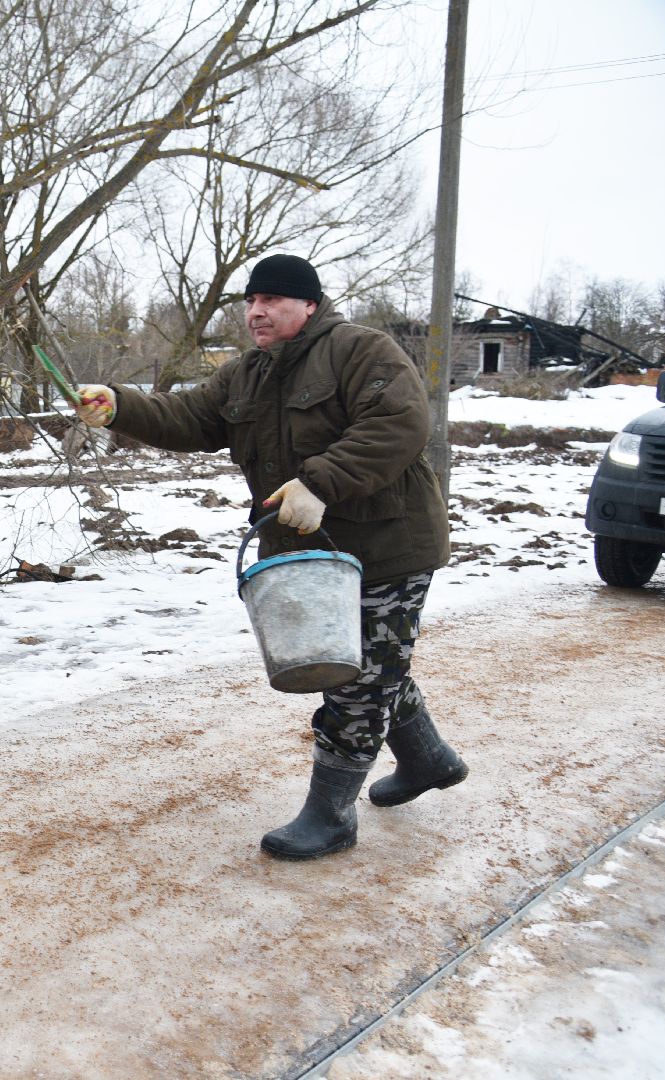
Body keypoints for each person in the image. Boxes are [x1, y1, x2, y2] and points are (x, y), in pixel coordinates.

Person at [74, 253, 467, 861]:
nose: (256, 312)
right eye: (251, 302)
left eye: (272, 301)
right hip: (310, 553)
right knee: (370, 661)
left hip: (389, 543)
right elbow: (190, 416)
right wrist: (120, 405)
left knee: (357, 678)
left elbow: (399, 423)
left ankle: (331, 816)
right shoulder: (246, 372)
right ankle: (428, 759)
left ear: (308, 305)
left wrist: (321, 482)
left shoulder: (363, 351)